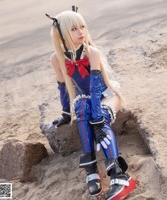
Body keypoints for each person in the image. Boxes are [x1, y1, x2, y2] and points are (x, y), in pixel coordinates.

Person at [46, 6, 136, 200]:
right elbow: (63, 87)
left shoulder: (91, 53)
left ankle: (119, 176)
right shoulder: (56, 59)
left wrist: (97, 118)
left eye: (83, 27)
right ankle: (91, 169)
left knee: (99, 116)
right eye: (74, 29)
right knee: (82, 106)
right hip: (85, 100)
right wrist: (65, 115)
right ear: (61, 34)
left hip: (107, 95)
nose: (81, 32)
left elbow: (96, 87)